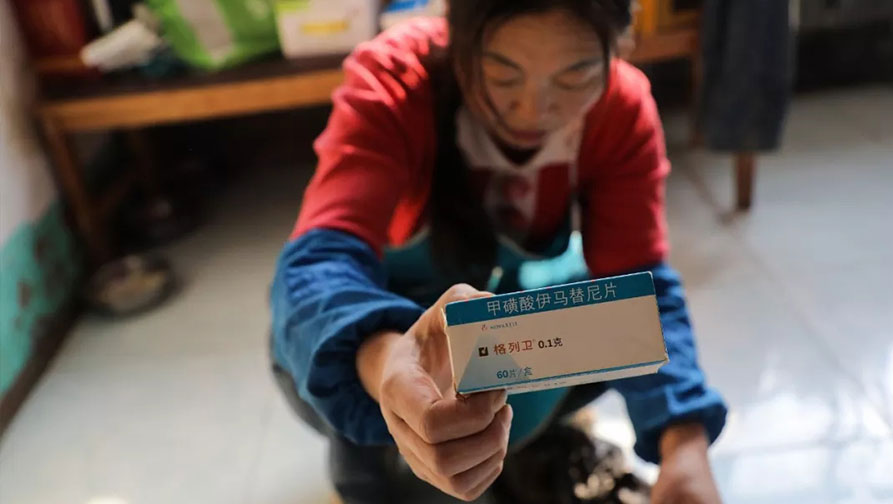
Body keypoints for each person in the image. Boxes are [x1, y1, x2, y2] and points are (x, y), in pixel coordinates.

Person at [270, 1, 728, 502]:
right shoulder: (396, 80)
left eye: (575, 75)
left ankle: (525, 442)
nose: (534, 110)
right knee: (385, 462)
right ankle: (390, 451)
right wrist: (385, 362)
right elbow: (318, 265)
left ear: (620, 48)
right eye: (502, 76)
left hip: (494, 330)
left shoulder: (618, 107)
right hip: (386, 341)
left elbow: (638, 291)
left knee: (609, 321)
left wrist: (685, 444)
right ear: (458, 44)